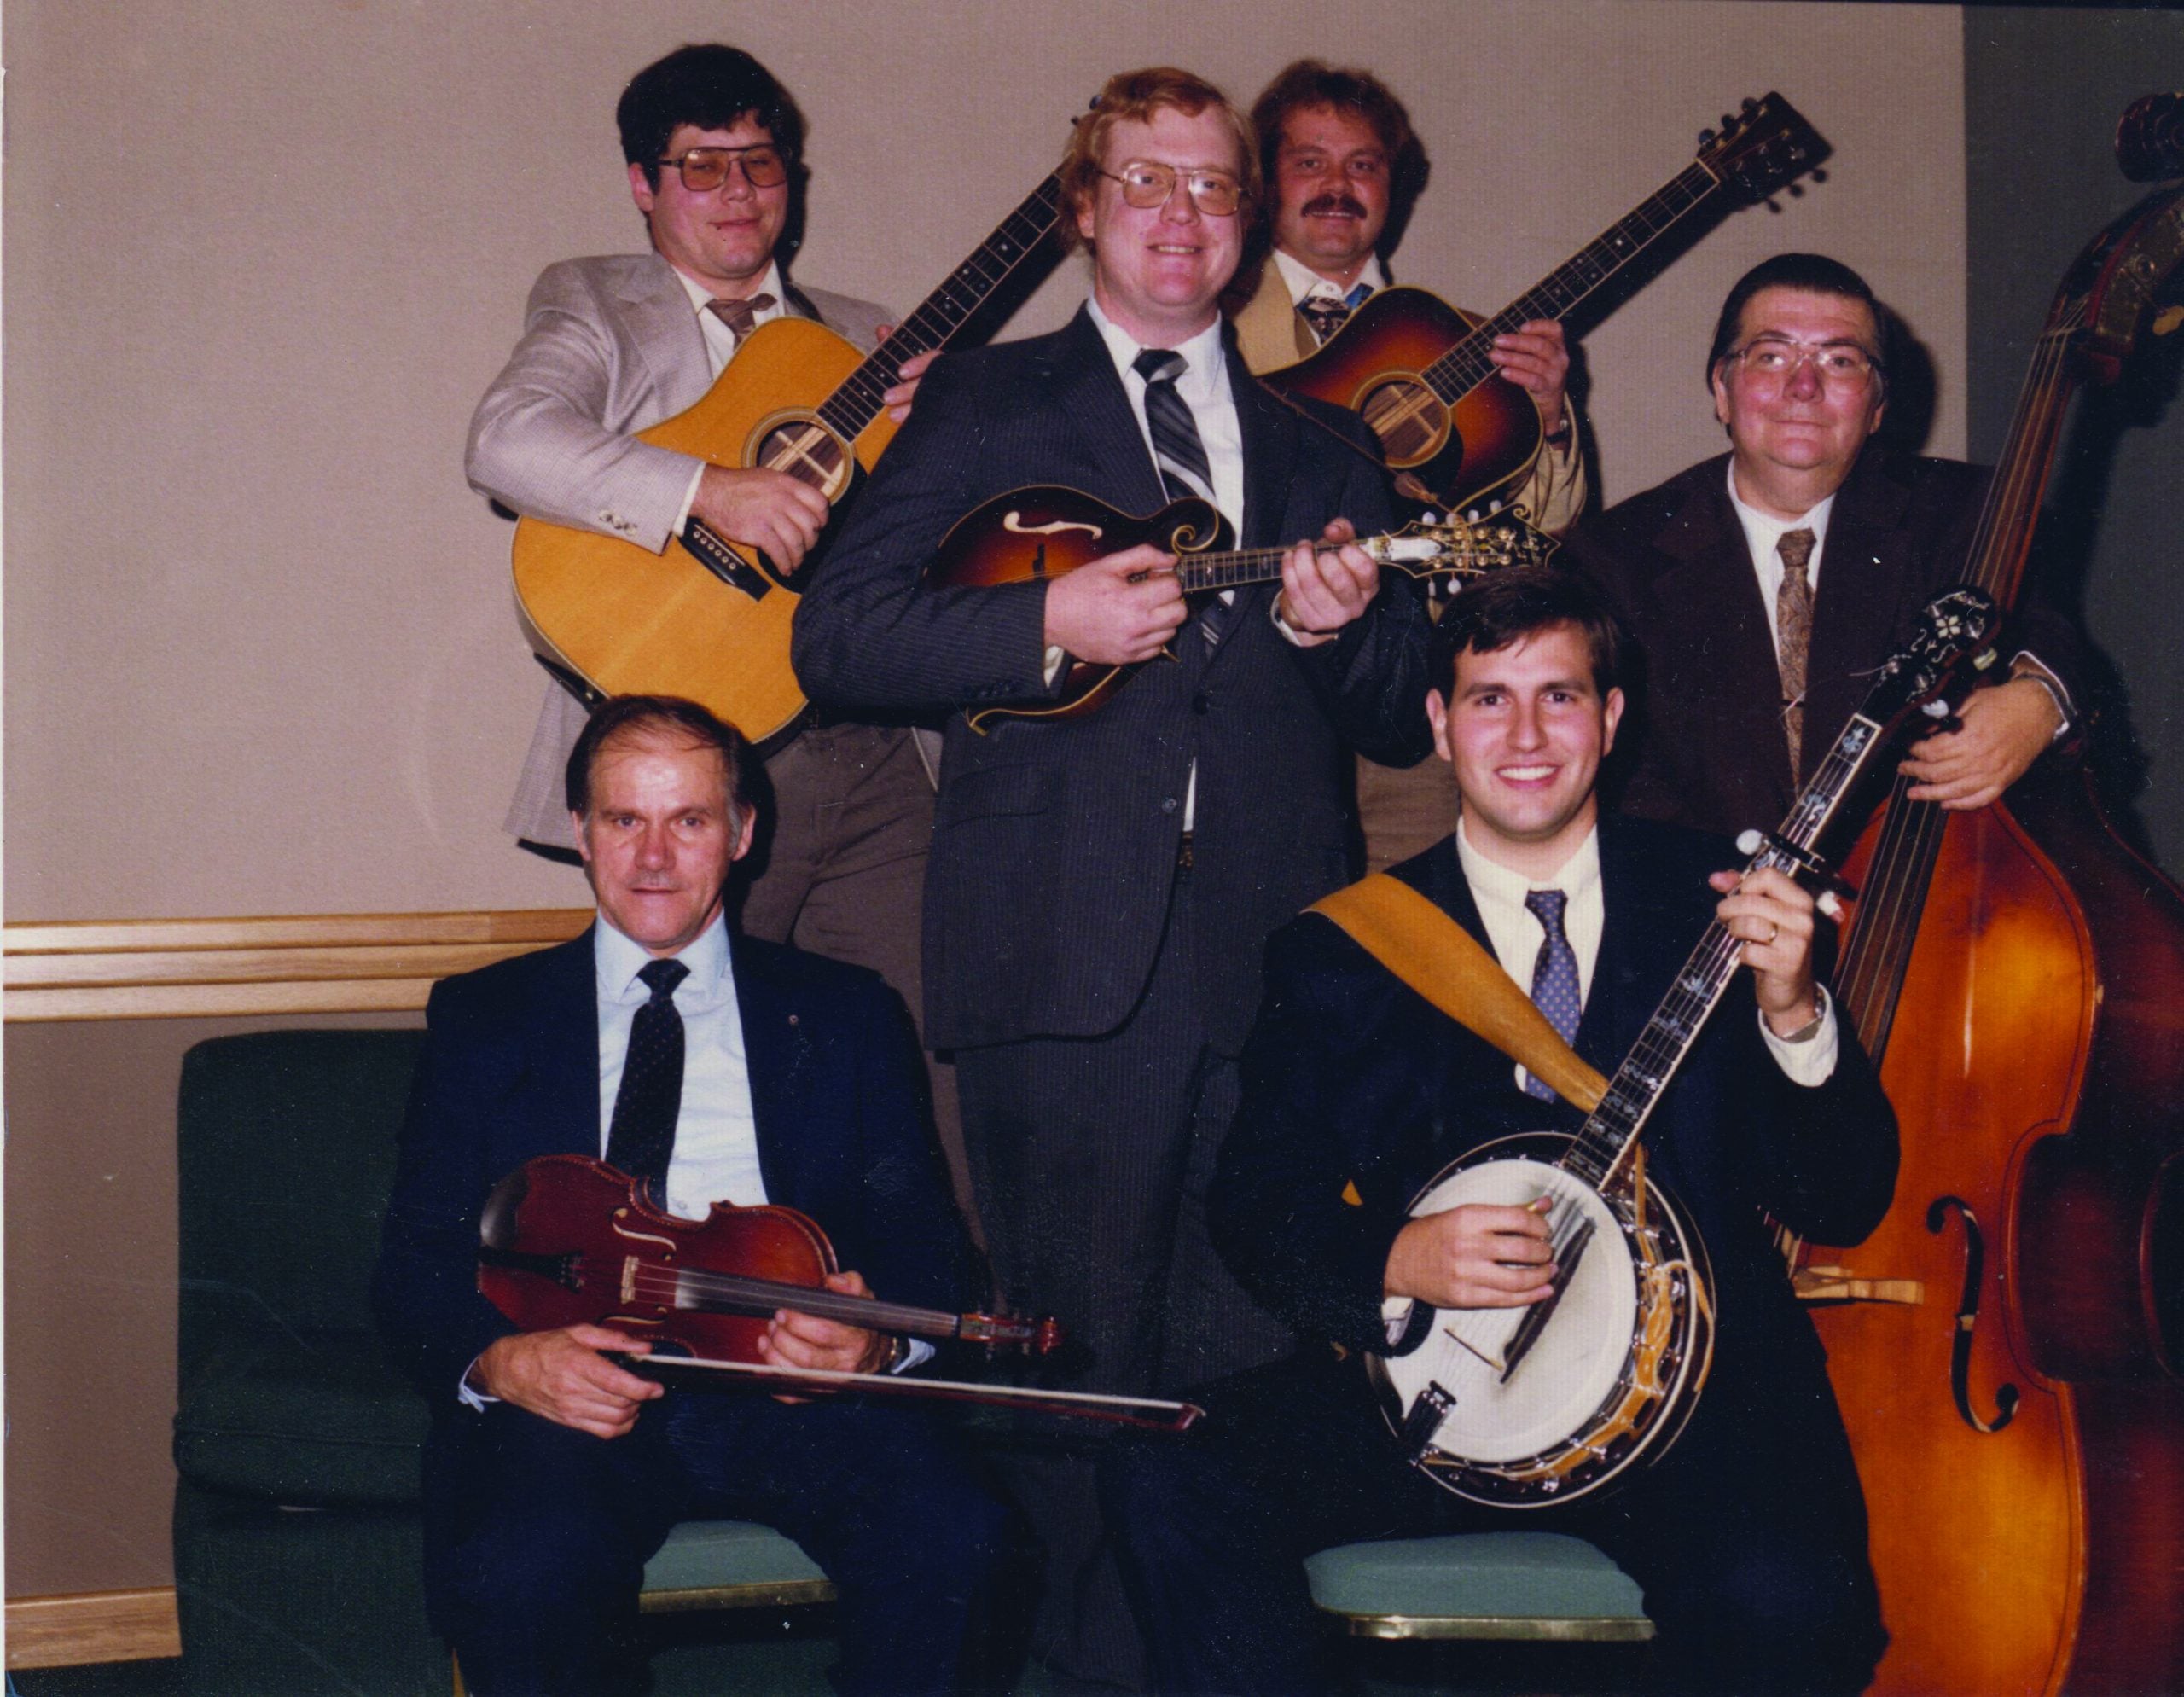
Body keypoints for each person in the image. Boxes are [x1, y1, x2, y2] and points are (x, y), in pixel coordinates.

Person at [792, 66, 1433, 1688]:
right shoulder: (987, 406)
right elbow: (837, 633)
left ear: (1250, 220)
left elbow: (1390, 698)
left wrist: (1334, 624)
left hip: (1270, 963)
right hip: (1058, 962)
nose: (1184, 216)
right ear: (1084, 207)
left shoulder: (1319, 439)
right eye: (1145, 182)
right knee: (1068, 1378)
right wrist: (1043, 624)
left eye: (1216, 188)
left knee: (1243, 1383)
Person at [1102, 569, 1898, 1696]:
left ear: (1611, 718)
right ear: (1438, 723)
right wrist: (1392, 1256)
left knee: (1788, 1607)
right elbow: (1256, 1200)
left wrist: (1792, 1009)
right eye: (1488, 698)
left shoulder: (1728, 902)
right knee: (1169, 1469)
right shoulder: (1343, 949)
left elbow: (1842, 1198)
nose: (1525, 735)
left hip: (1697, 1404)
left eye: (1560, 696)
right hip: (1441, 1387)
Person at [373, 695, 1009, 1697]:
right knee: (521, 1568)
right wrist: (501, 1360)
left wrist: (876, 1339)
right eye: (625, 819)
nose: (654, 857)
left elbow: (924, 1242)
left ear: (745, 833)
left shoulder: (845, 1011)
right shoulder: (483, 1015)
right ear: (579, 831)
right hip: (580, 1389)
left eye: (690, 820)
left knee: (960, 1542)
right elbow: (415, 1260)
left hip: (790, 1385)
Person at [463, 45, 968, 1213]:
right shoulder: (594, 299)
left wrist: (963, 423)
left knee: (901, 1061)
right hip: (709, 749)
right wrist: (708, 491)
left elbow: (943, 542)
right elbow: (507, 438)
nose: (739, 192)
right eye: (703, 167)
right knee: (698, 1055)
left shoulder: (868, 333)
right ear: (644, 183)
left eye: (762, 163)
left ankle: (888, 1341)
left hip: (882, 750)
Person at [1566, 252, 2084, 840]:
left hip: (1922, 904)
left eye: (1839, 360)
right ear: (1722, 389)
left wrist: (2040, 702)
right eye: (1771, 355)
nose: (1804, 385)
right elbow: (1617, 785)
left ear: (1877, 405)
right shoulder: (1615, 556)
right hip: (1706, 909)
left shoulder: (1967, 512)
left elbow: (2048, 638)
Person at [1232, 60, 1589, 869]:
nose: (1338, 184)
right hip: (1258, 695)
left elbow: (1542, 529)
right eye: (1309, 161)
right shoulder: (1204, 338)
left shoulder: (1461, 339)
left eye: (1363, 164)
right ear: (1263, 184)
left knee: (1413, 950)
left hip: (1414, 699)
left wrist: (1548, 417)